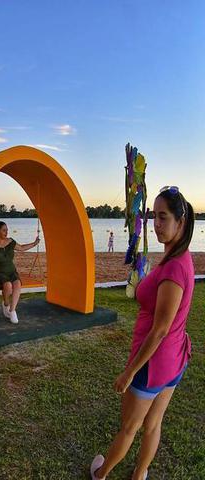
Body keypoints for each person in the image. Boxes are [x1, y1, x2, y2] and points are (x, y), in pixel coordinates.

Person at [90, 186, 195, 480]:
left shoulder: (174, 268)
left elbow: (160, 329)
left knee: (130, 427)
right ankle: (138, 476)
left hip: (152, 364)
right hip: (175, 359)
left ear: (181, 222)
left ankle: (100, 474)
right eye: (153, 217)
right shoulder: (181, 257)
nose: (156, 225)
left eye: (163, 218)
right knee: (153, 424)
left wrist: (129, 372)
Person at [0, 221, 40, 324]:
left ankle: (12, 310)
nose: (6, 232)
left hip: (11, 271)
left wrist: (34, 243)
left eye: (7, 230)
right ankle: (6, 304)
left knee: (17, 283)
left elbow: (22, 248)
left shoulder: (10, 242)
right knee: (8, 285)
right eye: (4, 230)